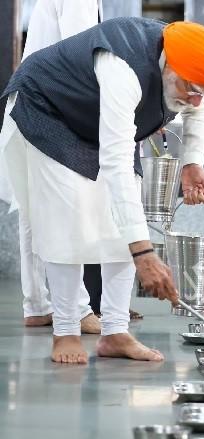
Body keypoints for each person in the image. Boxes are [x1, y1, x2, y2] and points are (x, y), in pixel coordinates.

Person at [0, 18, 204, 364]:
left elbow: (198, 109)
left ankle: (115, 332)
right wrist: (143, 254)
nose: (197, 101)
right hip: (49, 110)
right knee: (66, 222)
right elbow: (115, 160)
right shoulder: (122, 66)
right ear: (170, 67)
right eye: (192, 89)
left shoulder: (192, 71)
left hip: (99, 120)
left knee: (121, 227)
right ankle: (65, 331)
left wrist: (191, 162)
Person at [0, 0, 102, 332]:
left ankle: (37, 304)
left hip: (31, 100)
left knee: (34, 209)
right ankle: (77, 309)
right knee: (65, 208)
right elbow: (80, 57)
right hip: (51, 106)